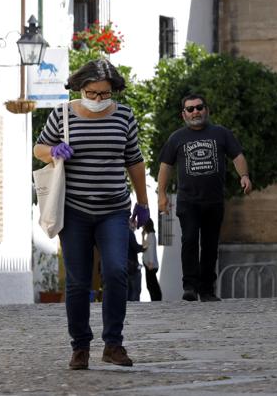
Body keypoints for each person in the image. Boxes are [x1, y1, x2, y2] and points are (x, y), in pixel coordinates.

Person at [33, 59, 150, 371]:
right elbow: (39, 148)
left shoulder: (124, 115)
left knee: (116, 272)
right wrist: (54, 151)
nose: (98, 99)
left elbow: (134, 161)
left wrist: (143, 202)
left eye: (104, 93)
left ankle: (113, 344)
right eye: (92, 92)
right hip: (74, 210)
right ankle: (80, 347)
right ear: (80, 88)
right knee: (77, 281)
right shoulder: (62, 115)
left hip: (113, 209)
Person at [156, 93, 252, 302]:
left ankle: (207, 289)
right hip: (188, 202)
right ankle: (190, 286)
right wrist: (161, 194)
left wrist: (244, 176)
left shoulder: (221, 133)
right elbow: (165, 166)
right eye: (190, 109)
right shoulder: (177, 138)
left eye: (199, 107)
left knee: (209, 245)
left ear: (206, 110)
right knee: (189, 240)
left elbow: (237, 156)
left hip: (214, 201)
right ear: (184, 114)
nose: (195, 112)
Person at [141, 219, 162, 302]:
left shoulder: (151, 235)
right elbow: (144, 247)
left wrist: (151, 262)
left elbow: (151, 250)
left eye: (143, 225)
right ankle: (155, 299)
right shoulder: (149, 235)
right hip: (148, 264)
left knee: (151, 284)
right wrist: (142, 236)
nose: (142, 227)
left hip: (150, 265)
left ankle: (156, 299)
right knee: (150, 284)